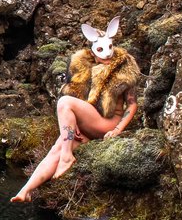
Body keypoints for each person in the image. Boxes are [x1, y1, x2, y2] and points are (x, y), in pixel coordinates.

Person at [11, 16, 140, 203]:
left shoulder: (123, 69)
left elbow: (132, 104)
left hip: (107, 123)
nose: (106, 55)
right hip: (89, 121)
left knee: (64, 103)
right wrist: (74, 127)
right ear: (93, 51)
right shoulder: (85, 67)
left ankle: (67, 158)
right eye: (101, 50)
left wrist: (117, 129)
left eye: (109, 48)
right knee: (57, 147)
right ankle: (26, 190)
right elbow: (81, 103)